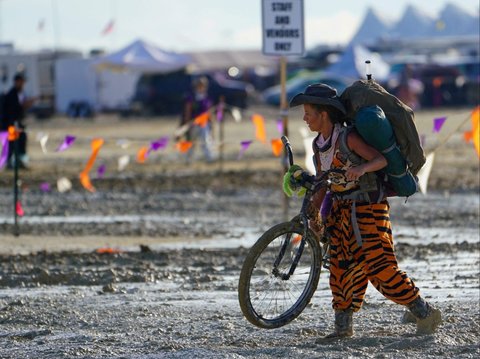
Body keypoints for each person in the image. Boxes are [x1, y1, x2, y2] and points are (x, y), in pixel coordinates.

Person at [286, 83, 441, 338]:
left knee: (380, 267)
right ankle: (342, 329)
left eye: (308, 112)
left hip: (369, 209)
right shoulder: (318, 146)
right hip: (341, 211)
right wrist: (314, 215)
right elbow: (324, 182)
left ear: (323, 114)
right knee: (340, 268)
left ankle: (424, 312)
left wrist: (360, 170)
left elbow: (380, 160)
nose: (304, 118)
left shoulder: (348, 138)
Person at [0, 73, 34, 169]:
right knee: (10, 145)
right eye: (22, 82)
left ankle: (18, 162)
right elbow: (13, 110)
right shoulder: (11, 94)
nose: (23, 84)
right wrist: (24, 105)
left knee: (20, 142)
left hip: (14, 124)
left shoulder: (17, 93)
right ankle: (10, 163)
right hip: (9, 125)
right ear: (17, 82)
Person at [179, 76, 215, 163]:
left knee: (206, 140)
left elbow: (209, 111)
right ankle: (188, 159)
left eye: (203, 85)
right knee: (191, 142)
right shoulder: (191, 97)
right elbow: (187, 111)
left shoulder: (206, 97)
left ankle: (209, 158)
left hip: (204, 123)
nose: (202, 87)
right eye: (200, 85)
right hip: (193, 123)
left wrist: (211, 123)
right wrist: (187, 124)